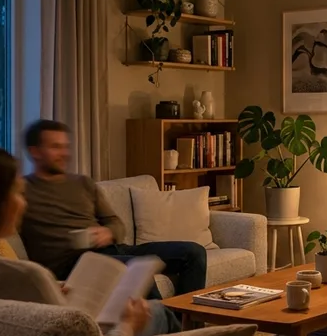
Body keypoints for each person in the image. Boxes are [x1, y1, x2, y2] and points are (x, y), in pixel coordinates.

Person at [0, 144, 178, 336]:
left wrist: (50, 290)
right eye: (19, 193)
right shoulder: (25, 277)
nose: (23, 204)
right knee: (158, 312)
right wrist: (128, 325)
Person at [19, 120, 208, 295]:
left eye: (65, 147)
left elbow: (115, 222)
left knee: (194, 253)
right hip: (75, 264)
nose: (64, 153)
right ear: (35, 151)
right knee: (137, 269)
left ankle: (186, 322)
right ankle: (165, 326)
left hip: (114, 250)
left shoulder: (82, 183)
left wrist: (108, 232)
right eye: (55, 147)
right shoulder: (22, 191)